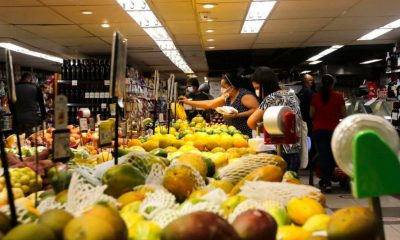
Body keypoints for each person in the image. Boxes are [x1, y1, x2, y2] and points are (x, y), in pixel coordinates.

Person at [247, 66, 302, 172]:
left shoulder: (270, 98)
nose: (256, 91)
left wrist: (266, 129)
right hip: (294, 150)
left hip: (278, 152)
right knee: (292, 182)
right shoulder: (292, 95)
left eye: (258, 88)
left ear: (265, 85)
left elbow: (251, 122)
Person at [179, 72, 259, 137]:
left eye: (223, 86)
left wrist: (238, 115)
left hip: (246, 134)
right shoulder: (227, 96)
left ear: (231, 87)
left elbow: (256, 109)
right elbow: (210, 104)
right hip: (234, 134)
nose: (222, 89)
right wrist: (188, 102)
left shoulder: (244, 95)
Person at [310, 74, 346, 193]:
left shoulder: (316, 97)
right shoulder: (338, 96)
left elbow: (311, 114)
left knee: (324, 155)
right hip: (334, 131)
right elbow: (343, 115)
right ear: (332, 84)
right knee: (332, 156)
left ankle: (326, 182)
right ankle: (329, 179)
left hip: (319, 131)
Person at [13, 73, 46, 137]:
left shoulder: (14, 88)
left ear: (21, 79)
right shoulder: (36, 87)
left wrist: (15, 114)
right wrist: (43, 117)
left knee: (18, 141)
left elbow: (11, 103)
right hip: (31, 120)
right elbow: (41, 104)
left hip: (17, 120)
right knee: (30, 140)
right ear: (30, 79)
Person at [297, 74, 316, 168]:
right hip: (309, 121)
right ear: (305, 82)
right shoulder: (309, 92)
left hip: (302, 121)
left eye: (312, 81)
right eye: (310, 81)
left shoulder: (300, 92)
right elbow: (314, 107)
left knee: (306, 143)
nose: (312, 83)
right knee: (311, 143)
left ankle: (306, 162)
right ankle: (311, 164)